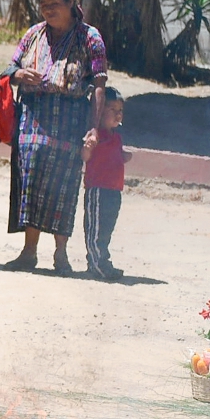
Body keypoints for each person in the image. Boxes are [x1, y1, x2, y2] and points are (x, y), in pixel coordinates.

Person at [5, 0, 107, 275]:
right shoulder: (33, 34)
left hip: (70, 117)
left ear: (70, 1)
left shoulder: (90, 37)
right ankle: (28, 251)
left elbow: (99, 84)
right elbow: (9, 67)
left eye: (55, 4)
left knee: (63, 183)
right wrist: (19, 74)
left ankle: (61, 254)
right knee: (31, 181)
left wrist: (93, 128)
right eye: (44, 5)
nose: (48, 10)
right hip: (33, 116)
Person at [82, 87, 128, 281]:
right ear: (99, 113)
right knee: (95, 229)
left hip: (114, 191)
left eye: (120, 110)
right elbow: (85, 156)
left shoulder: (116, 137)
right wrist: (87, 147)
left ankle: (103, 260)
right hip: (98, 190)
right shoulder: (95, 136)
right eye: (112, 110)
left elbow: (116, 157)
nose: (118, 114)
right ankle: (95, 263)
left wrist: (125, 156)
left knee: (106, 229)